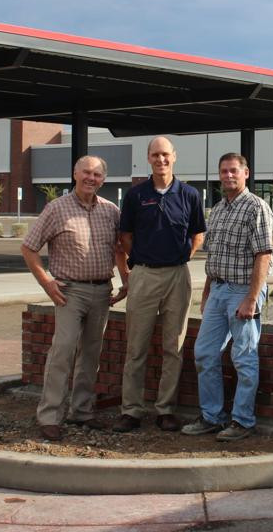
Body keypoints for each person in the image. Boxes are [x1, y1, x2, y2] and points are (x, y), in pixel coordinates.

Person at [21, 155, 127, 441]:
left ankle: (82, 412)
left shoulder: (111, 211)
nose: (91, 178)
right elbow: (29, 248)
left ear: (103, 179)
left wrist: (126, 281)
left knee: (91, 354)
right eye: (86, 173)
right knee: (63, 351)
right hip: (69, 292)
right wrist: (46, 282)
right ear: (75, 174)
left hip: (102, 290)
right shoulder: (56, 209)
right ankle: (49, 416)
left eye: (97, 174)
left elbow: (119, 250)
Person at [114, 136, 206, 432]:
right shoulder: (135, 195)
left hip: (178, 276)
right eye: (155, 155)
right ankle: (131, 410)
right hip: (143, 275)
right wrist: (142, 260)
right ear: (148, 158)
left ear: (174, 157)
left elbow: (198, 235)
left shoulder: (190, 195)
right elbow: (125, 236)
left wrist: (181, 257)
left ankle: (165, 409)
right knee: (136, 347)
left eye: (165, 154)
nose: (161, 159)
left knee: (173, 346)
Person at [182, 152, 273, 442]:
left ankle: (243, 420)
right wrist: (208, 291)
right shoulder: (218, 209)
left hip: (242, 291)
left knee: (244, 357)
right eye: (224, 171)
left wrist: (251, 298)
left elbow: (264, 256)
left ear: (246, 173)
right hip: (219, 290)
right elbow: (215, 257)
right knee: (205, 353)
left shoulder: (256, 207)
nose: (228, 176)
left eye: (234, 170)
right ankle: (212, 416)